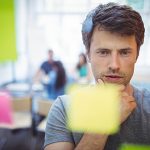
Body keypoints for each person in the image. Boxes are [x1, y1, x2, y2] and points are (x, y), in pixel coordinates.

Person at [44, 2, 150, 150]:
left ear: (137, 55)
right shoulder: (64, 108)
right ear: (88, 54)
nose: (114, 64)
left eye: (124, 52)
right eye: (103, 52)